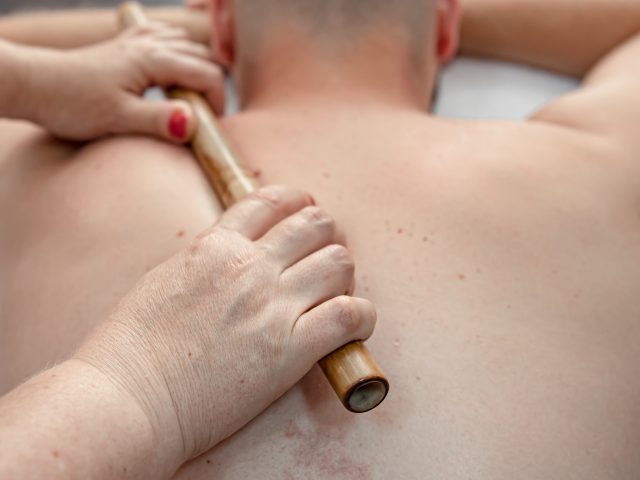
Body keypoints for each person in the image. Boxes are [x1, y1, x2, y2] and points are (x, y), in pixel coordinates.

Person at [1, 0, 640, 478]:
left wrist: (57, 70)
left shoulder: (32, 167)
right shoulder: (601, 164)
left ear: (218, 29)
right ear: (447, 30)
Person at [0, 15, 376, 480]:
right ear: (444, 36)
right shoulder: (495, 159)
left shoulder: (18, 152)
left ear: (221, 32)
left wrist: (27, 78)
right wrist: (145, 386)